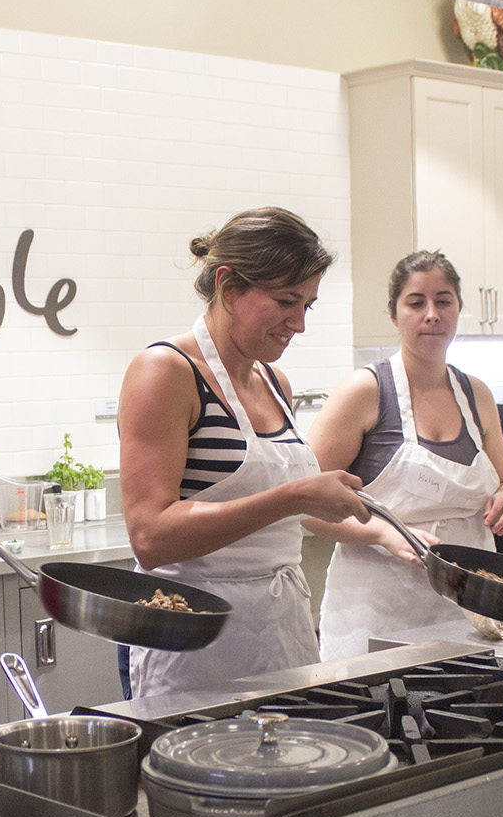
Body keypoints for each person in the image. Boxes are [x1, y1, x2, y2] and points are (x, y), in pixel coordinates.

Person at [117, 207, 369, 698]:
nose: (297, 323)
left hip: (281, 632)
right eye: (285, 301)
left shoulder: (275, 383)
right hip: (191, 641)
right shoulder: (164, 371)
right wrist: (293, 497)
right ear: (229, 287)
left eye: (308, 306)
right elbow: (150, 535)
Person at [308, 250, 503, 661]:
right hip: (376, 619)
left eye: (444, 301)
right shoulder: (365, 392)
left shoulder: (476, 395)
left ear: (459, 309)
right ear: (394, 314)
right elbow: (305, 506)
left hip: (468, 614)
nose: (432, 314)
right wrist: (382, 534)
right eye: (416, 302)